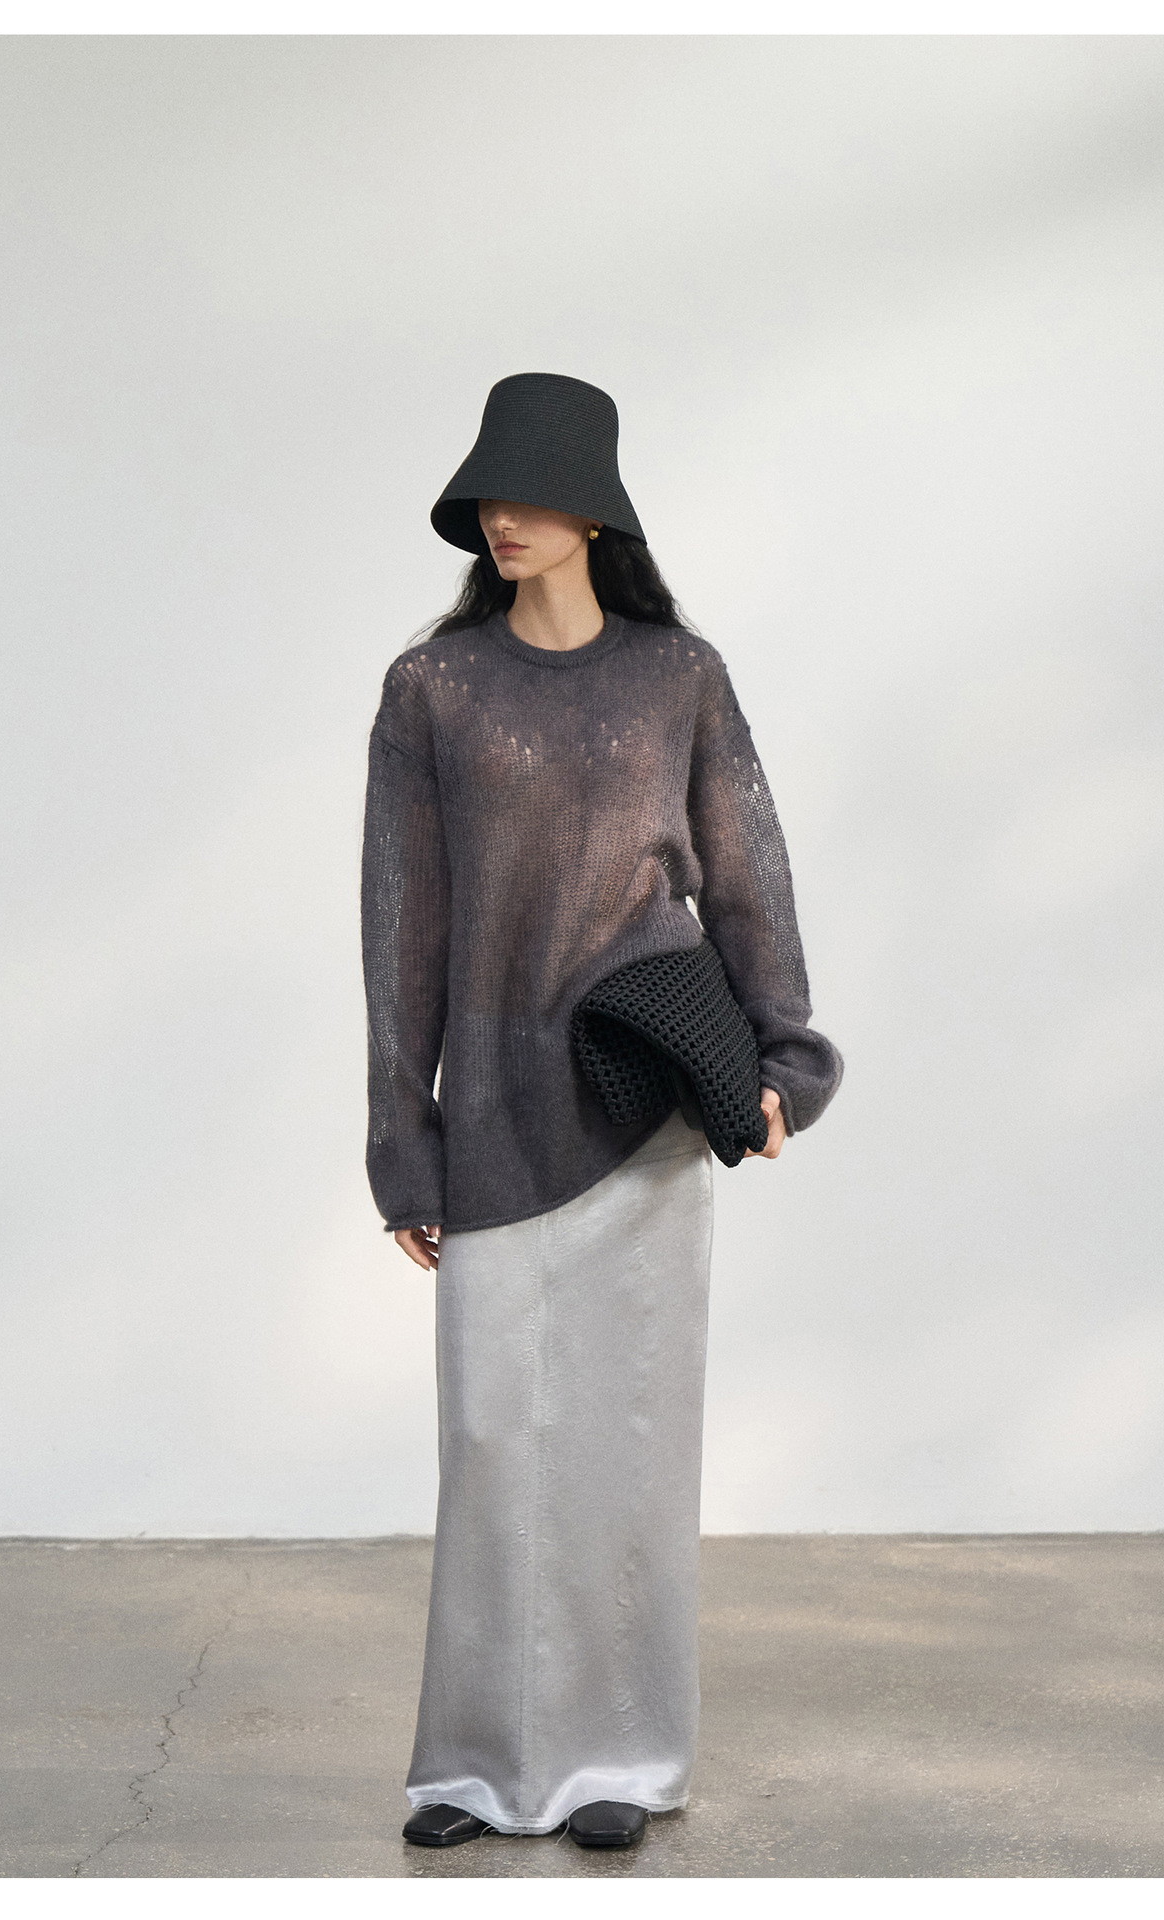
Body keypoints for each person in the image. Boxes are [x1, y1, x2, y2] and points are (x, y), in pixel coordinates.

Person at [360, 372, 842, 1852]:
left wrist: (784, 1062)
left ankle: (622, 1760)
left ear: (594, 511)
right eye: (485, 496)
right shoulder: (434, 688)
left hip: (642, 1112)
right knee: (495, 1446)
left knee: (626, 1446)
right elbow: (402, 931)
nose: (501, 519)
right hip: (495, 1114)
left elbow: (747, 876)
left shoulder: (678, 676)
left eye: (530, 492)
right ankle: (478, 1770)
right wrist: (403, 1138)